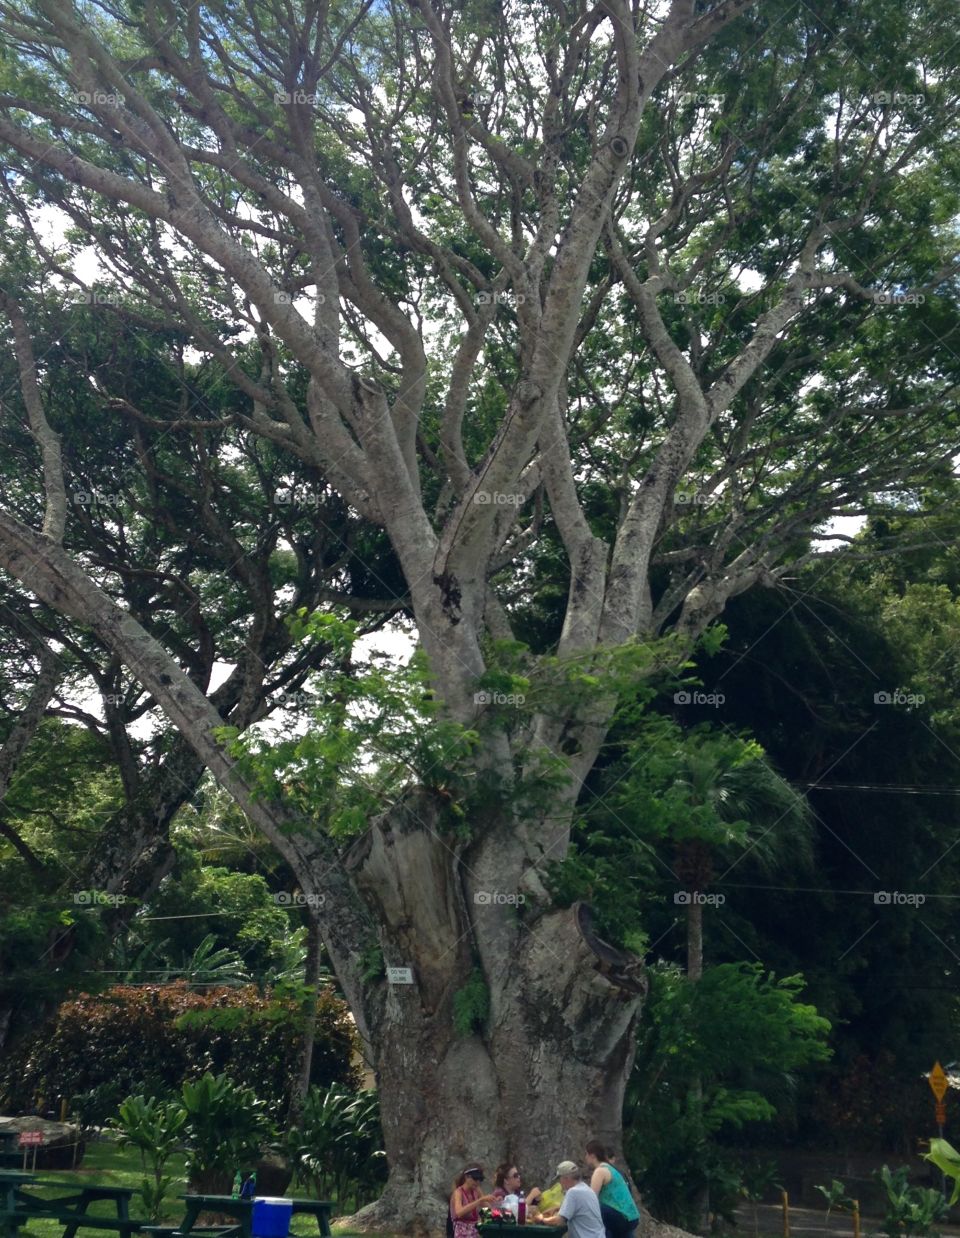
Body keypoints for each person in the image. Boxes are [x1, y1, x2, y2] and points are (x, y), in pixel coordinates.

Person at [585, 1142, 640, 1238]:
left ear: (592, 1156)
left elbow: (592, 1198)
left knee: (596, 1210)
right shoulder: (612, 1169)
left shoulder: (600, 1171)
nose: (585, 1157)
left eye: (586, 1154)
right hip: (632, 1216)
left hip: (621, 1217)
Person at [541, 1160, 605, 1238]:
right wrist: (556, 1208)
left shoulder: (573, 1192)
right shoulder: (586, 1189)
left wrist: (541, 1219)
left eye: (560, 1179)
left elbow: (558, 1221)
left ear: (566, 1178)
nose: (560, 1182)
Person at [450, 1166, 497, 1238]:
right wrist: (479, 1201)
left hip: (474, 1230)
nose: (477, 1182)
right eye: (475, 1179)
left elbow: (486, 1207)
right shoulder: (458, 1193)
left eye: (480, 1179)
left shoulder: (477, 1190)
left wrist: (496, 1203)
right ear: (466, 1177)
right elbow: (459, 1213)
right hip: (461, 1231)